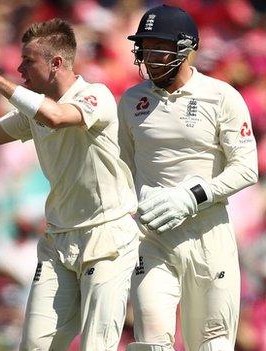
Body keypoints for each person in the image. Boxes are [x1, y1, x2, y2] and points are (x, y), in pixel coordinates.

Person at [0, 18, 140, 350]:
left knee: (97, 345)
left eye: (28, 61)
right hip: (59, 240)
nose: (19, 68)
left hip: (108, 238)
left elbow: (56, 116)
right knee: (35, 346)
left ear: (56, 63)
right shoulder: (32, 110)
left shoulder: (95, 96)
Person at [118, 5, 259, 351]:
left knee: (213, 344)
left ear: (185, 48)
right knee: (150, 341)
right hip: (152, 238)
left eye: (158, 47)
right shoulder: (131, 101)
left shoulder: (221, 96)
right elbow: (121, 169)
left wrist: (192, 196)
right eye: (144, 48)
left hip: (209, 237)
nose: (149, 57)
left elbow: (246, 168)